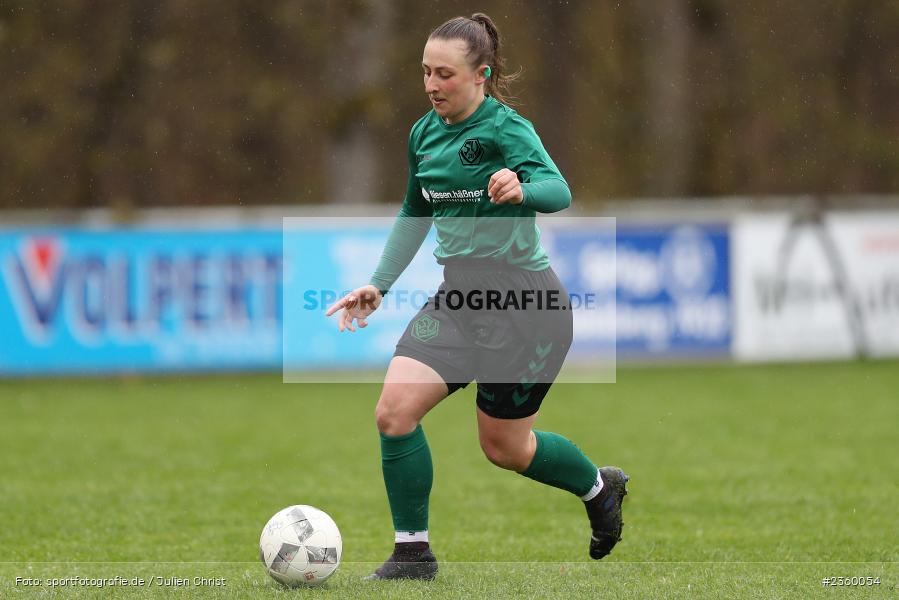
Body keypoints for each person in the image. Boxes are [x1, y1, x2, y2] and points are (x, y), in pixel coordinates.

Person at [326, 13, 627, 581]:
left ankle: (599, 488)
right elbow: (416, 211)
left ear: (481, 76)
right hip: (458, 299)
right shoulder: (422, 134)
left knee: (505, 448)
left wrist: (522, 188)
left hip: (525, 310)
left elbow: (558, 190)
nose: (432, 84)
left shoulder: (507, 129)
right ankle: (413, 556)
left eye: (444, 74)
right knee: (393, 413)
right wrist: (378, 285)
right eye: (425, 72)